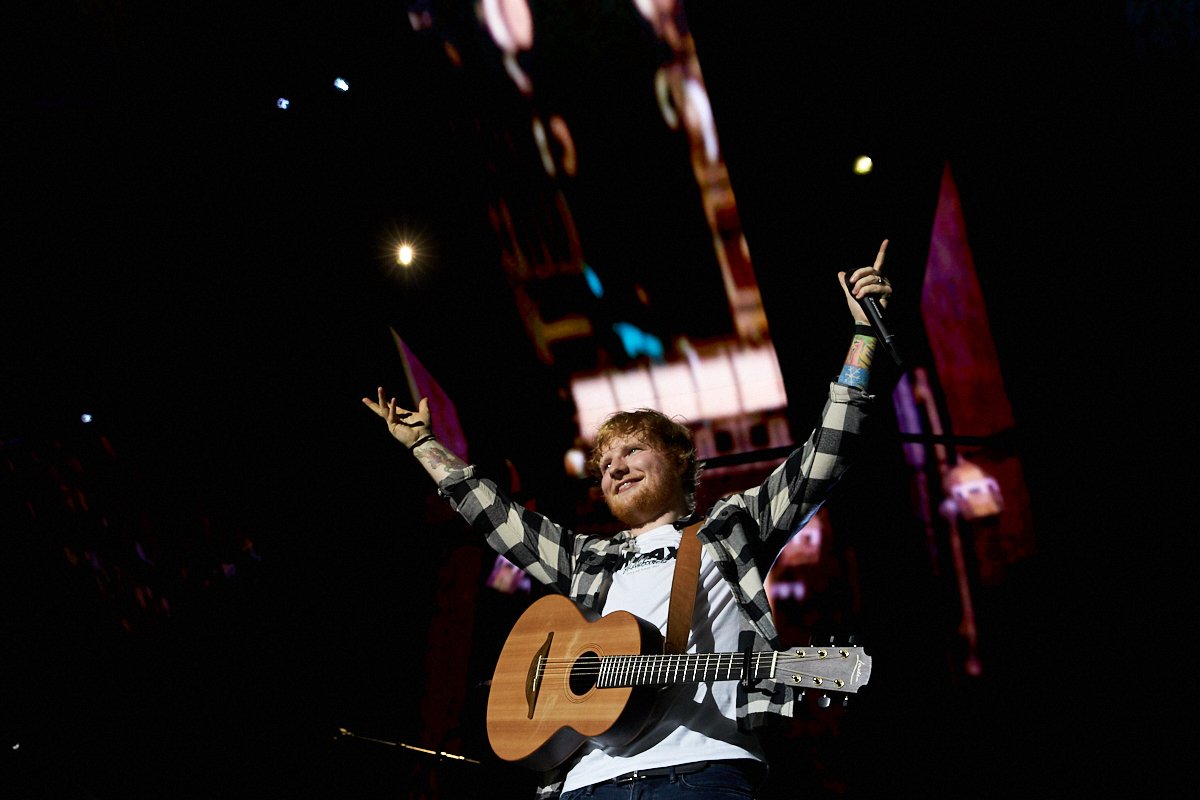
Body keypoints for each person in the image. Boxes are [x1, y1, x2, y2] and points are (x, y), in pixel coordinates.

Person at [362, 240, 894, 799]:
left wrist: (863, 337)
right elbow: (498, 517)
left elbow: (824, 458)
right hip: (585, 784)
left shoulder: (730, 529)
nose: (615, 467)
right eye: (606, 463)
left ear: (680, 459)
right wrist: (424, 444)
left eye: (632, 451)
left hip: (704, 774)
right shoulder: (589, 558)